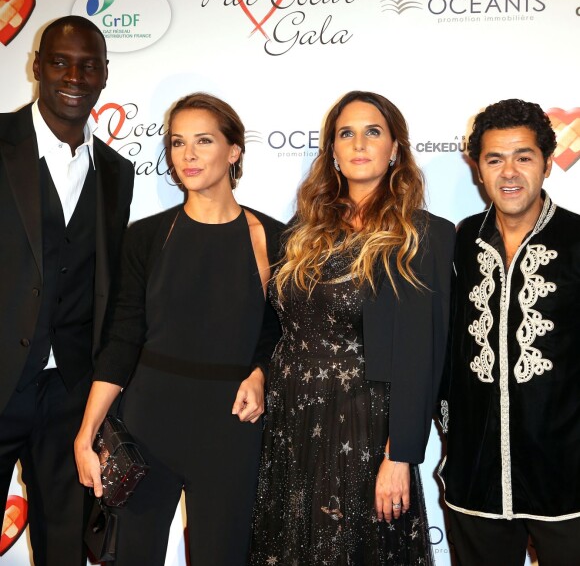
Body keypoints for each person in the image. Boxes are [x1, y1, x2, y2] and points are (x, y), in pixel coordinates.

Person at [74, 92, 285, 565]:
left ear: (234, 151)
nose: (187, 155)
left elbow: (281, 336)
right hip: (149, 425)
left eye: (204, 141)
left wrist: (261, 374)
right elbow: (123, 339)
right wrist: (86, 433)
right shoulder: (146, 237)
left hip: (231, 428)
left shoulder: (274, 239)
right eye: (177, 142)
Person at [250, 90, 455, 565]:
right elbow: (277, 326)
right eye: (347, 133)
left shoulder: (422, 235)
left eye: (373, 132)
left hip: (363, 426)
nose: (359, 143)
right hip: (291, 420)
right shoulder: (301, 231)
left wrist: (400, 455)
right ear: (334, 153)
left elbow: (421, 354)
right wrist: (259, 372)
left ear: (395, 150)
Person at [0, 16, 134, 565]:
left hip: (70, 397)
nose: (75, 76)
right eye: (61, 61)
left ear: (104, 75)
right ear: (36, 67)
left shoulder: (117, 172)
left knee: (64, 547)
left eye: (89, 65)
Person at [439, 98, 580, 565]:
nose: (510, 173)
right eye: (494, 159)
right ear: (477, 168)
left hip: (568, 477)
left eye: (524, 157)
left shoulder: (577, 239)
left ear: (546, 163)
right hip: (477, 477)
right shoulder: (458, 242)